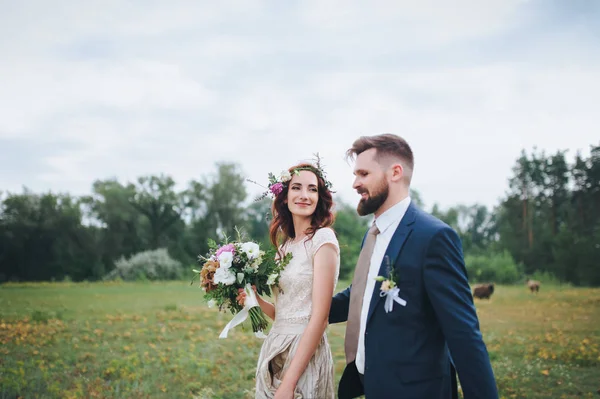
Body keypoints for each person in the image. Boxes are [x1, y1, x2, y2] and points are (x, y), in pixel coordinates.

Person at [329, 134, 499, 399]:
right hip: (374, 385)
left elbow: (464, 335)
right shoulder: (372, 233)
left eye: (363, 173)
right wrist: (304, 310)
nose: (355, 183)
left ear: (395, 172)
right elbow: (362, 294)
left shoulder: (433, 237)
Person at [242, 162, 340, 399]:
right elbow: (285, 312)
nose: (305, 195)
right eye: (297, 188)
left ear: (320, 197)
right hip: (275, 348)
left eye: (312, 189)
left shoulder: (322, 240)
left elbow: (319, 317)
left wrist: (289, 383)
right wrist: (254, 298)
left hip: (304, 353)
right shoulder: (283, 249)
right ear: (285, 197)